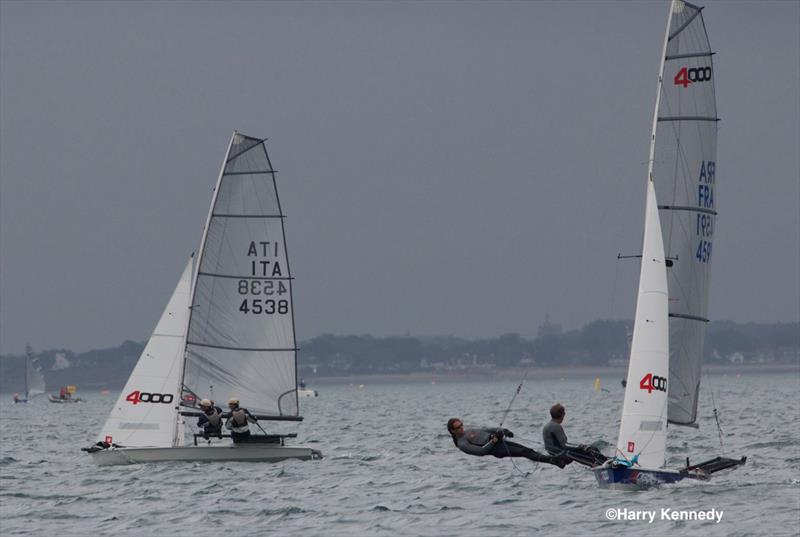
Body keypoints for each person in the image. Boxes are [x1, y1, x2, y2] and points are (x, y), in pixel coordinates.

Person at [447, 418, 566, 468]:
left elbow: (488, 430)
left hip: (499, 442)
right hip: (497, 450)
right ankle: (554, 460)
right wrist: (493, 441)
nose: (461, 428)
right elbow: (481, 452)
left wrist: (503, 431)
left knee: (529, 450)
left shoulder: (468, 431)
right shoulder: (462, 444)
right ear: (452, 431)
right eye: (458, 427)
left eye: (461, 425)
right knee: (524, 452)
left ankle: (557, 462)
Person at [542, 404, 608, 467]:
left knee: (585, 450)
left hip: (553, 453)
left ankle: (599, 464)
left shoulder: (546, 426)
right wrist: (579, 447)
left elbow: (557, 445)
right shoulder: (556, 426)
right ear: (562, 415)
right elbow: (564, 445)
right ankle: (608, 464)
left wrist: (578, 446)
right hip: (562, 453)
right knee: (592, 450)